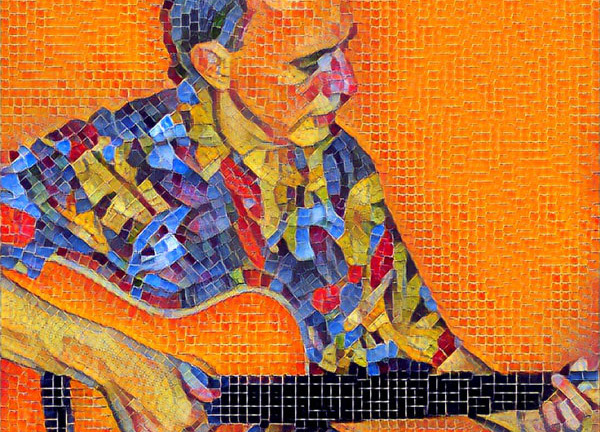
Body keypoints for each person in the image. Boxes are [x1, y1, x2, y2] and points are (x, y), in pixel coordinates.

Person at [0, 0, 597, 431]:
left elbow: (417, 345)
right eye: (309, 62)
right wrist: (120, 366)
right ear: (215, 63)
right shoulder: (112, 159)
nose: (345, 82)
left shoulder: (339, 169)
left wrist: (527, 412)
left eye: (342, 49)